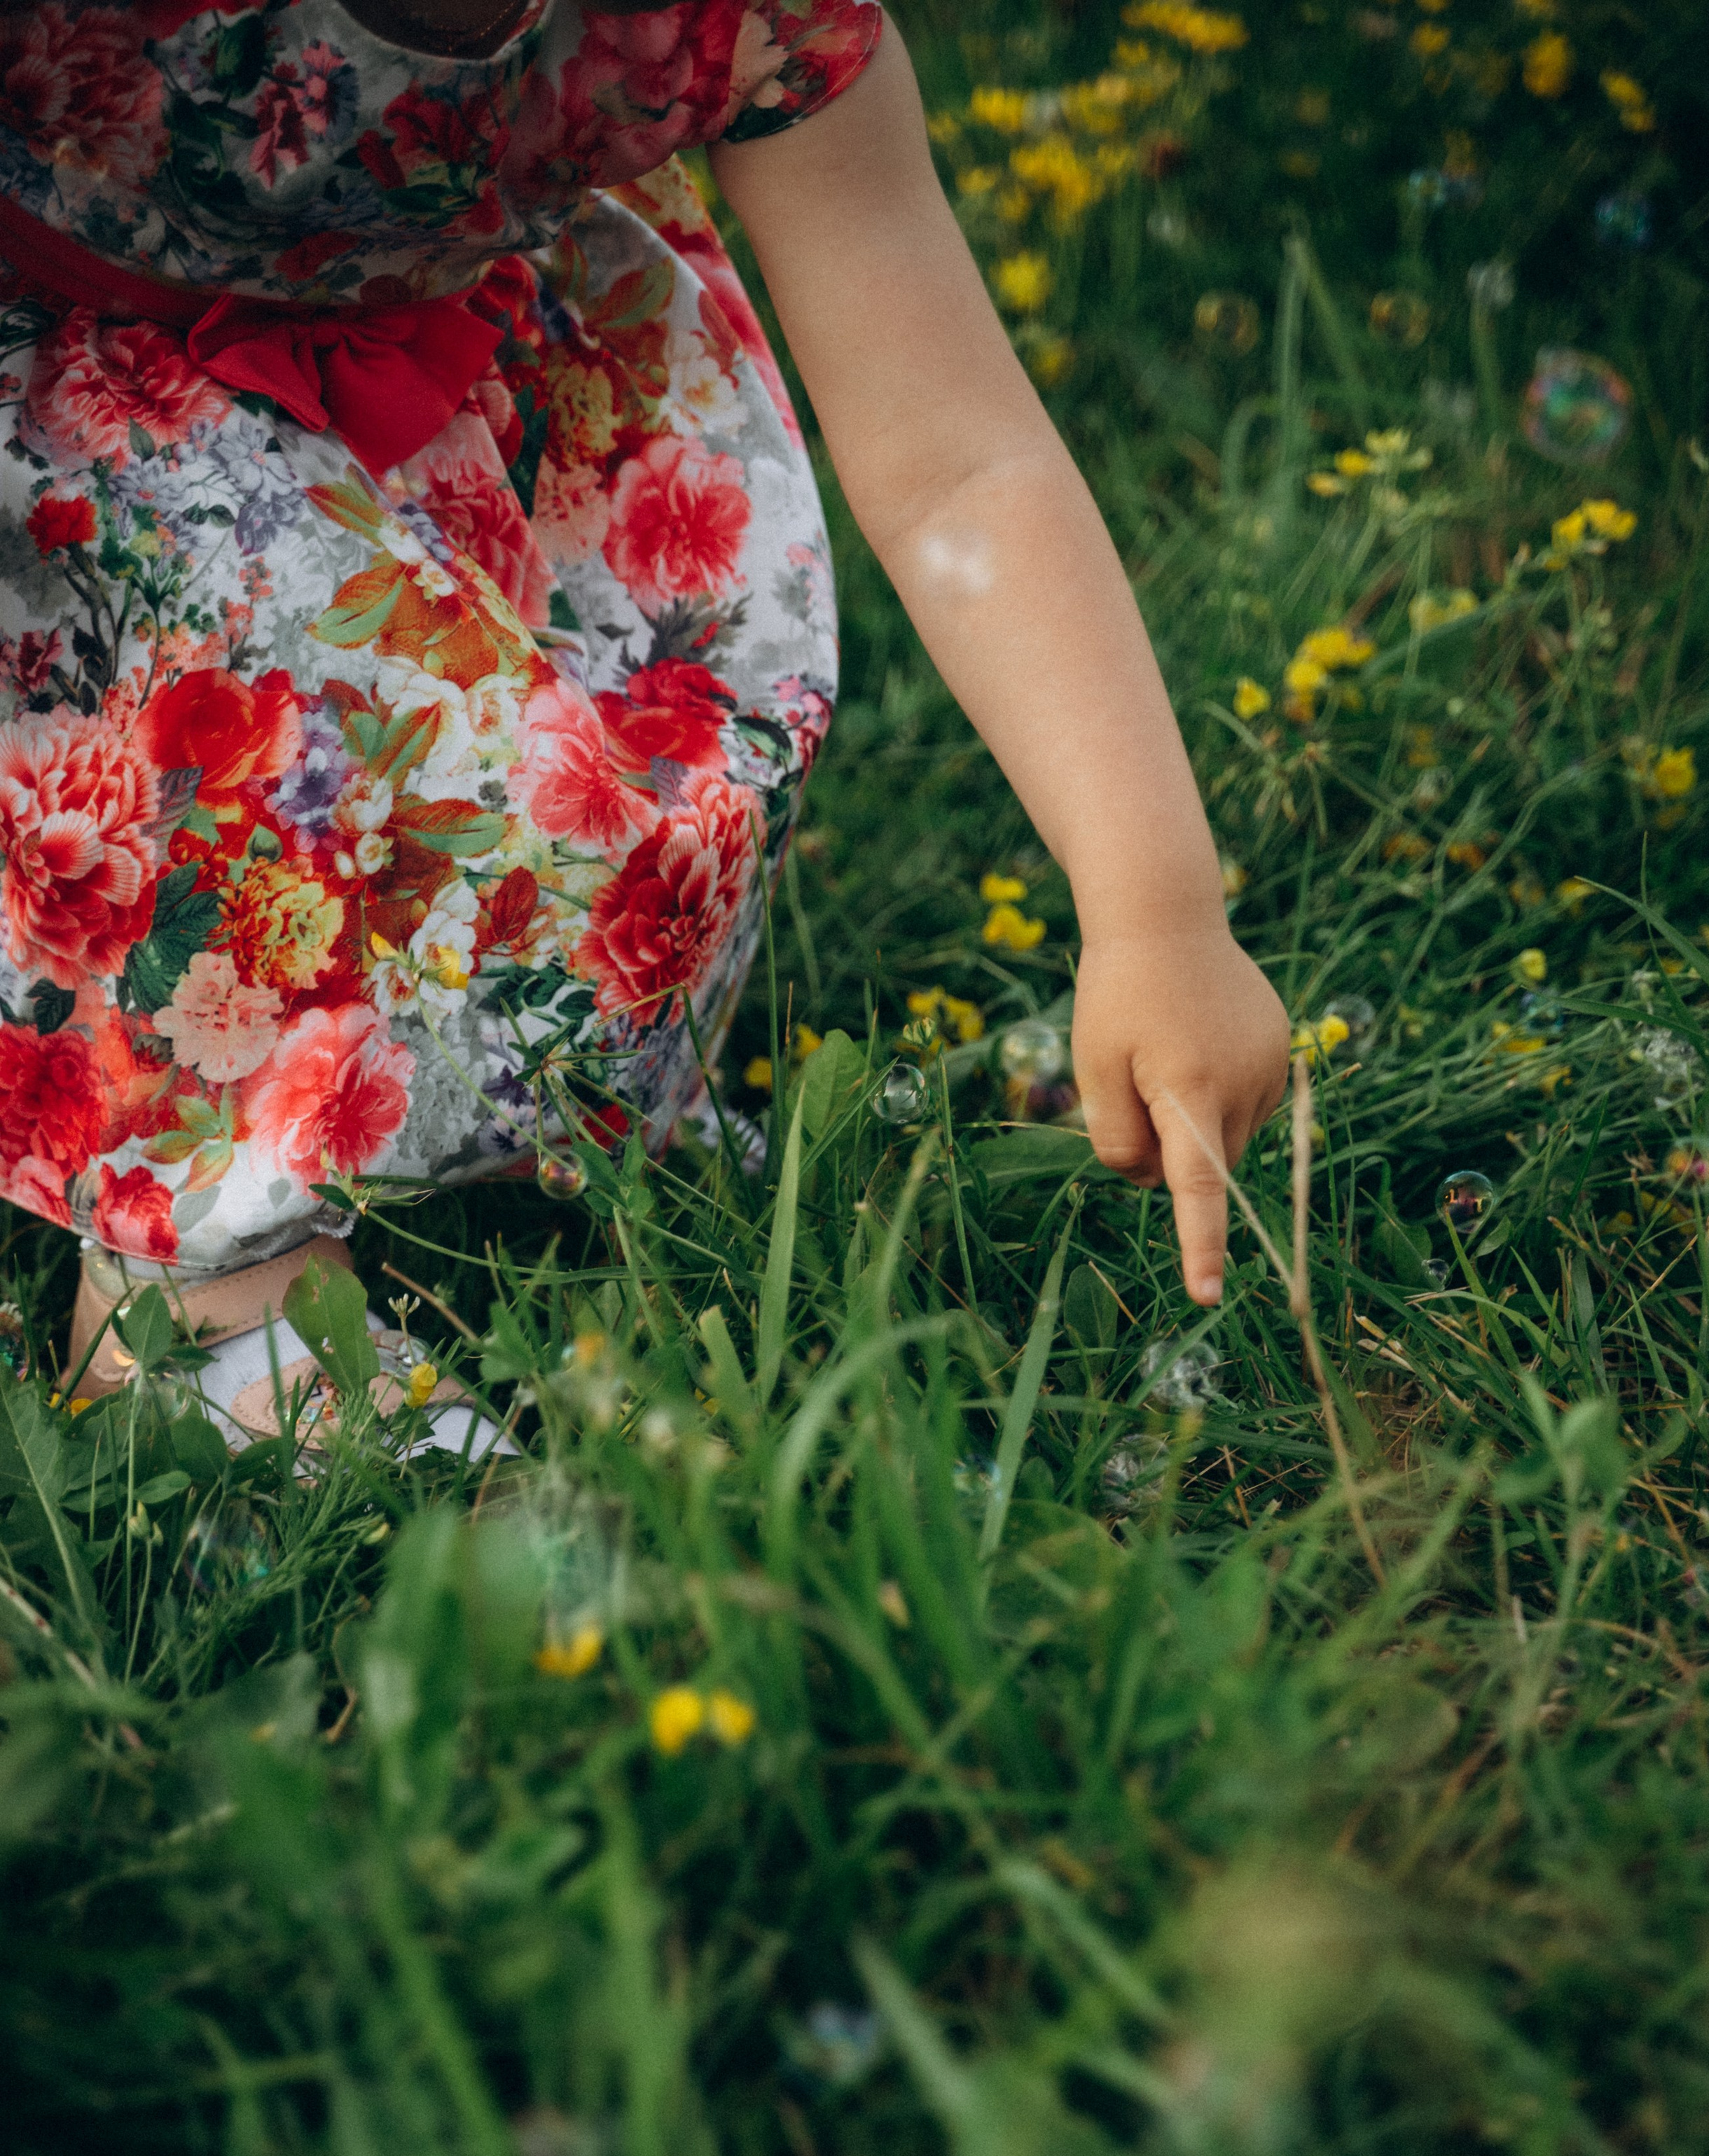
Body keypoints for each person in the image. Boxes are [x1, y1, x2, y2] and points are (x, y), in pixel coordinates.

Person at [0, 0, 1287, 1444]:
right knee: (228, 743)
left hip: (437, 377)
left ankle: (541, 1096)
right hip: (68, 451)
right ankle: (197, 1324)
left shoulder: (739, 21)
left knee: (603, 754)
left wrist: (1154, 911)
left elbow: (959, 463)